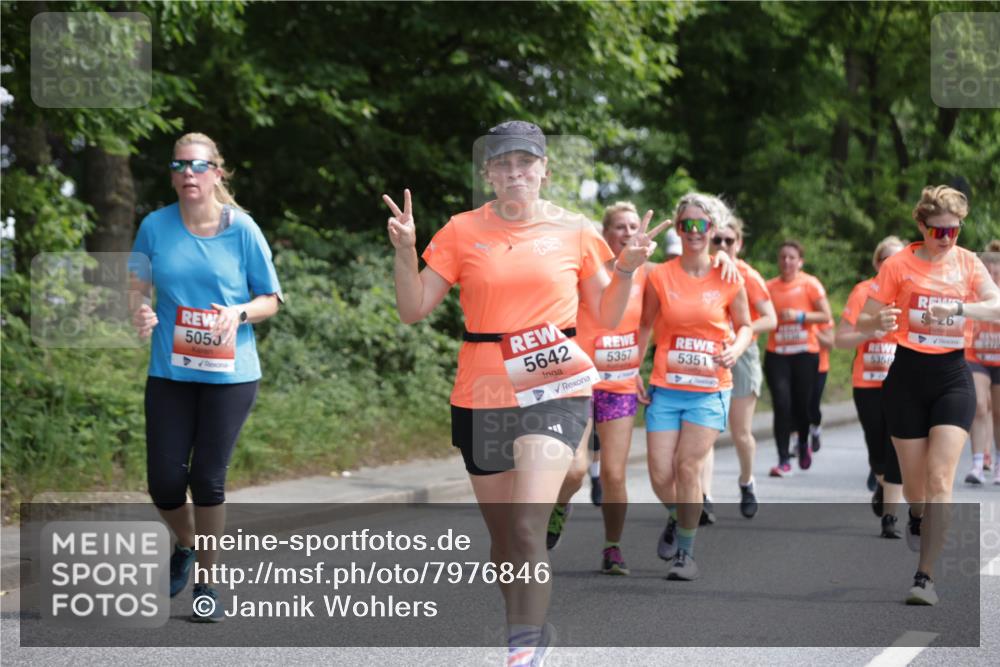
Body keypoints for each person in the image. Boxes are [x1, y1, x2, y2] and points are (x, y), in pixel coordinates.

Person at [382, 121, 666, 665]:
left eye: (525, 163)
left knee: (528, 523)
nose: (515, 173)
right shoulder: (462, 230)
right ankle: (525, 627)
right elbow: (413, 309)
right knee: (504, 543)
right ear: (487, 173)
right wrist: (406, 251)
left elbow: (607, 315)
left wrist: (626, 269)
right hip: (482, 387)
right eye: (503, 164)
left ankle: (523, 649)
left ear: (543, 171)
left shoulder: (579, 230)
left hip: (552, 382)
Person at [128, 132, 283, 622]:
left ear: (217, 172)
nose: (187, 174)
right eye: (179, 166)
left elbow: (271, 299)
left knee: (207, 479)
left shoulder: (243, 229)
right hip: (170, 371)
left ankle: (208, 582)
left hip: (231, 375)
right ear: (172, 176)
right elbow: (136, 287)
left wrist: (237, 313)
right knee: (164, 483)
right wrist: (140, 311)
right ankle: (186, 544)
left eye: (197, 166)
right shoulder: (155, 226)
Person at [856, 186, 1000, 605]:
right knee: (916, 488)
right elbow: (866, 318)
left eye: (954, 231)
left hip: (953, 376)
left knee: (940, 479)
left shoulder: (968, 263)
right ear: (921, 226)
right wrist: (878, 320)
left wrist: (958, 310)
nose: (947, 239)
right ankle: (917, 515)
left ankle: (925, 577)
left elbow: (997, 306)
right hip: (906, 377)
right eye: (938, 232)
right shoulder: (899, 264)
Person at [638, 193, 753, 581]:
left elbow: (746, 326)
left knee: (687, 468)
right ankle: (680, 515)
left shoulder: (728, 275)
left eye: (701, 225)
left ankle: (686, 554)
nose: (693, 232)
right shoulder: (660, 275)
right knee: (658, 474)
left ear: (713, 229)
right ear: (678, 227)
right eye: (685, 225)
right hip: (666, 388)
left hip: (709, 388)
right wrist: (632, 371)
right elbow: (644, 326)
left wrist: (735, 350)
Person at [544, 202, 651, 576]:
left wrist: (638, 362)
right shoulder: (584, 272)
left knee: (615, 476)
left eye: (632, 226)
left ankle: (613, 547)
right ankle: (559, 508)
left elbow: (648, 322)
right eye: (619, 227)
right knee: (574, 470)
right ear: (605, 235)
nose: (626, 232)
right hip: (579, 382)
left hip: (620, 386)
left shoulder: (649, 276)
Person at [704, 216, 776, 519]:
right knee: (704, 430)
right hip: (707, 354)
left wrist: (740, 334)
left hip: (742, 355)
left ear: (739, 243)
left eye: (728, 240)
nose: (722, 245)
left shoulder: (747, 274)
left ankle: (746, 482)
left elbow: (770, 318)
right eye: (717, 240)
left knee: (740, 432)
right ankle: (703, 498)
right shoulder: (702, 270)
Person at [835, 235, 905, 538]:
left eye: (898, 260)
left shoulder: (911, 294)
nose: (891, 265)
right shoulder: (863, 292)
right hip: (867, 383)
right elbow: (841, 340)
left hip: (903, 384)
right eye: (885, 259)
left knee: (898, 448)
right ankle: (880, 482)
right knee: (877, 449)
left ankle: (890, 517)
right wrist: (872, 330)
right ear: (877, 263)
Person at [763, 241, 832, 476]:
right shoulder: (769, 287)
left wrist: (800, 316)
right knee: (782, 405)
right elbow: (759, 314)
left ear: (800, 261)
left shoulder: (810, 284)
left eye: (792, 257)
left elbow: (826, 315)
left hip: (805, 353)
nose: (787, 261)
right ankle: (783, 459)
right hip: (778, 354)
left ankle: (803, 441)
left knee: (803, 406)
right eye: (783, 257)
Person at [965, 240, 1000, 485]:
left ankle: (998, 463)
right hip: (975, 354)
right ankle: (978, 464)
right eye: (989, 268)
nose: (993, 273)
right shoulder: (975, 290)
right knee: (978, 405)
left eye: (997, 269)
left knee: (998, 412)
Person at [809, 321, 835, 452]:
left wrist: (813, 330)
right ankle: (797, 440)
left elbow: (830, 344)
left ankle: (815, 430)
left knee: (813, 404)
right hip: (796, 367)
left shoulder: (822, 316)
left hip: (819, 368)